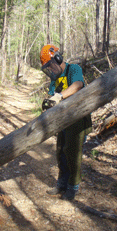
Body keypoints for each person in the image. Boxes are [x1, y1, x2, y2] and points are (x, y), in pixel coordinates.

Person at [40, 44, 92, 200]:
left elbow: (78, 85)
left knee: (73, 153)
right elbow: (51, 95)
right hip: (62, 121)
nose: (51, 69)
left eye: (51, 65)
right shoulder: (54, 79)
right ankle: (61, 184)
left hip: (78, 118)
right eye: (47, 67)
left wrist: (60, 96)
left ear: (58, 58)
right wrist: (49, 102)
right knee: (61, 152)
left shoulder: (73, 69)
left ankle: (73, 187)